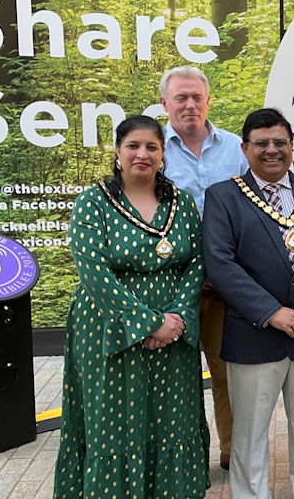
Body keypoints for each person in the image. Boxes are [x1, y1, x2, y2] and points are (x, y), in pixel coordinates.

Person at [54, 115, 209, 498]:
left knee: (172, 416)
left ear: (162, 154)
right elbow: (93, 271)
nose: (143, 154)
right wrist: (149, 323)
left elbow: (196, 263)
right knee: (114, 418)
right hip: (108, 327)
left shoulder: (182, 202)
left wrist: (175, 319)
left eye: (151, 147)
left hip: (175, 332)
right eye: (133, 146)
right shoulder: (93, 202)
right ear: (118, 152)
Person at [202, 108, 294, 499]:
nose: (272, 151)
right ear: (245, 148)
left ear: (292, 146)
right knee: (250, 432)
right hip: (254, 338)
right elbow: (220, 263)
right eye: (262, 143)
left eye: (280, 143)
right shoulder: (223, 197)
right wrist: (270, 312)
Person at [160, 65, 247, 470]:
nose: (190, 105)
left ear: (208, 100)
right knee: (175, 379)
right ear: (165, 104)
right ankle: (184, 456)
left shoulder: (235, 149)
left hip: (223, 285)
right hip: (170, 287)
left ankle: (233, 450)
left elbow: (253, 212)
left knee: (227, 372)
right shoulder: (152, 149)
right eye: (181, 98)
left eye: (197, 97)